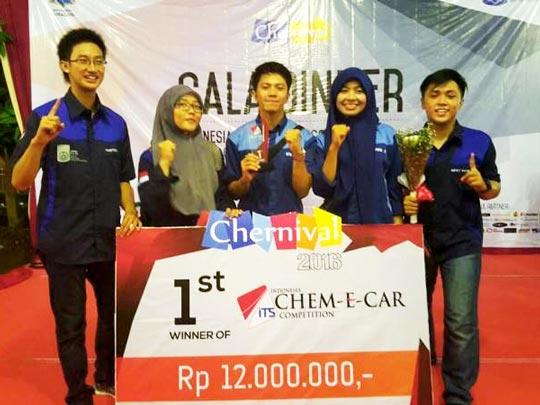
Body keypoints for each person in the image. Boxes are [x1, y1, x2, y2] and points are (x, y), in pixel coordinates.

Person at [11, 28, 140, 404]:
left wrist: (131, 211)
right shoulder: (45, 118)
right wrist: (39, 142)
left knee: (114, 316)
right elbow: (19, 182)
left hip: (107, 241)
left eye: (98, 61)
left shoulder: (116, 123)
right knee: (71, 324)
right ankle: (77, 393)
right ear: (65, 66)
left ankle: (107, 378)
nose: (92, 67)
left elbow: (123, 178)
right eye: (83, 60)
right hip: (63, 241)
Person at [403, 69, 501, 405]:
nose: (442, 101)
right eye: (434, 95)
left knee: (460, 320)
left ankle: (458, 393)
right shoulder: (411, 143)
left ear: (460, 101)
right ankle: (420, 368)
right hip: (418, 241)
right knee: (415, 311)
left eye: (450, 95)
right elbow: (401, 187)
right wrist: (406, 202)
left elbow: (494, 186)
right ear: (423, 101)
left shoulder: (478, 141)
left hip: (463, 241)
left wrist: (482, 185)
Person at [309, 67, 403, 224]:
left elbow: (394, 186)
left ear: (369, 96)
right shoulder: (322, 140)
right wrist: (334, 146)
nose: (351, 97)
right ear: (334, 96)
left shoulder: (386, 135)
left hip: (379, 225)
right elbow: (322, 188)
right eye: (344, 91)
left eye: (359, 91)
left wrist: (397, 221)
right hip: (335, 228)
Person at [223, 61, 315, 215]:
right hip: (250, 225)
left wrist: (298, 156)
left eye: (279, 88)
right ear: (254, 95)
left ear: (287, 96)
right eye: (265, 87)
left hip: (289, 225)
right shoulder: (237, 138)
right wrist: (245, 179)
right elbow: (233, 193)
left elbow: (302, 192)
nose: (272, 93)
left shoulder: (305, 137)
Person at [137, 85, 237, 226]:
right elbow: (151, 209)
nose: (191, 111)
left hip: (208, 234)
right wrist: (164, 164)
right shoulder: (150, 156)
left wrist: (229, 210)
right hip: (167, 236)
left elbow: (221, 195)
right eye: (182, 105)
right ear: (167, 110)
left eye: (197, 107)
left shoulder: (212, 152)